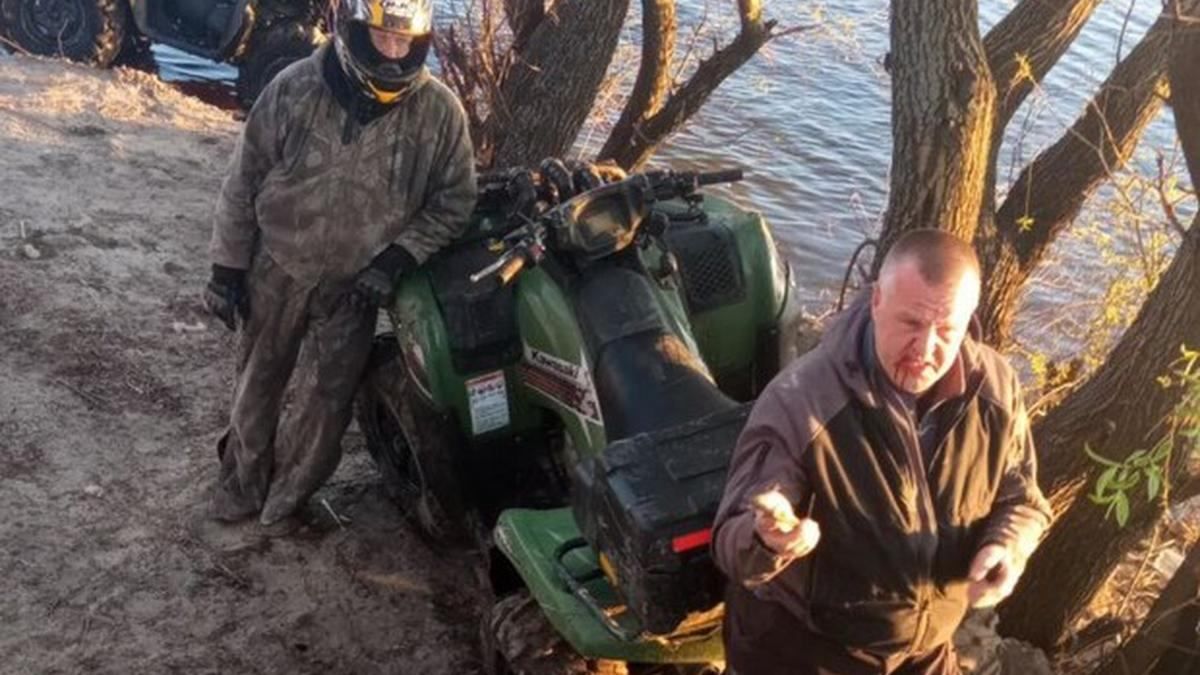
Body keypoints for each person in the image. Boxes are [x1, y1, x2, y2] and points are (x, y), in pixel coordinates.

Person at [713, 229, 1052, 674]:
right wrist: (769, 539)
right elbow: (730, 540)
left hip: (924, 652)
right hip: (806, 650)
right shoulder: (804, 399)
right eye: (911, 323)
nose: (926, 349)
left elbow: (1024, 501)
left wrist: (1006, 546)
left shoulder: (996, 388)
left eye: (947, 330)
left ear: (969, 318)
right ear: (876, 302)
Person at [201, 0, 477, 531]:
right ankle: (241, 484)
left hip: (358, 284)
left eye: (404, 41)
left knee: (328, 403)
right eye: (382, 38)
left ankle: (286, 500)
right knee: (258, 382)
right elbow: (243, 180)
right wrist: (226, 268)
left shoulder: (441, 113)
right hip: (278, 264)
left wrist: (400, 257)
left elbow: (455, 201)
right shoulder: (294, 87)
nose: (393, 51)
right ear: (353, 31)